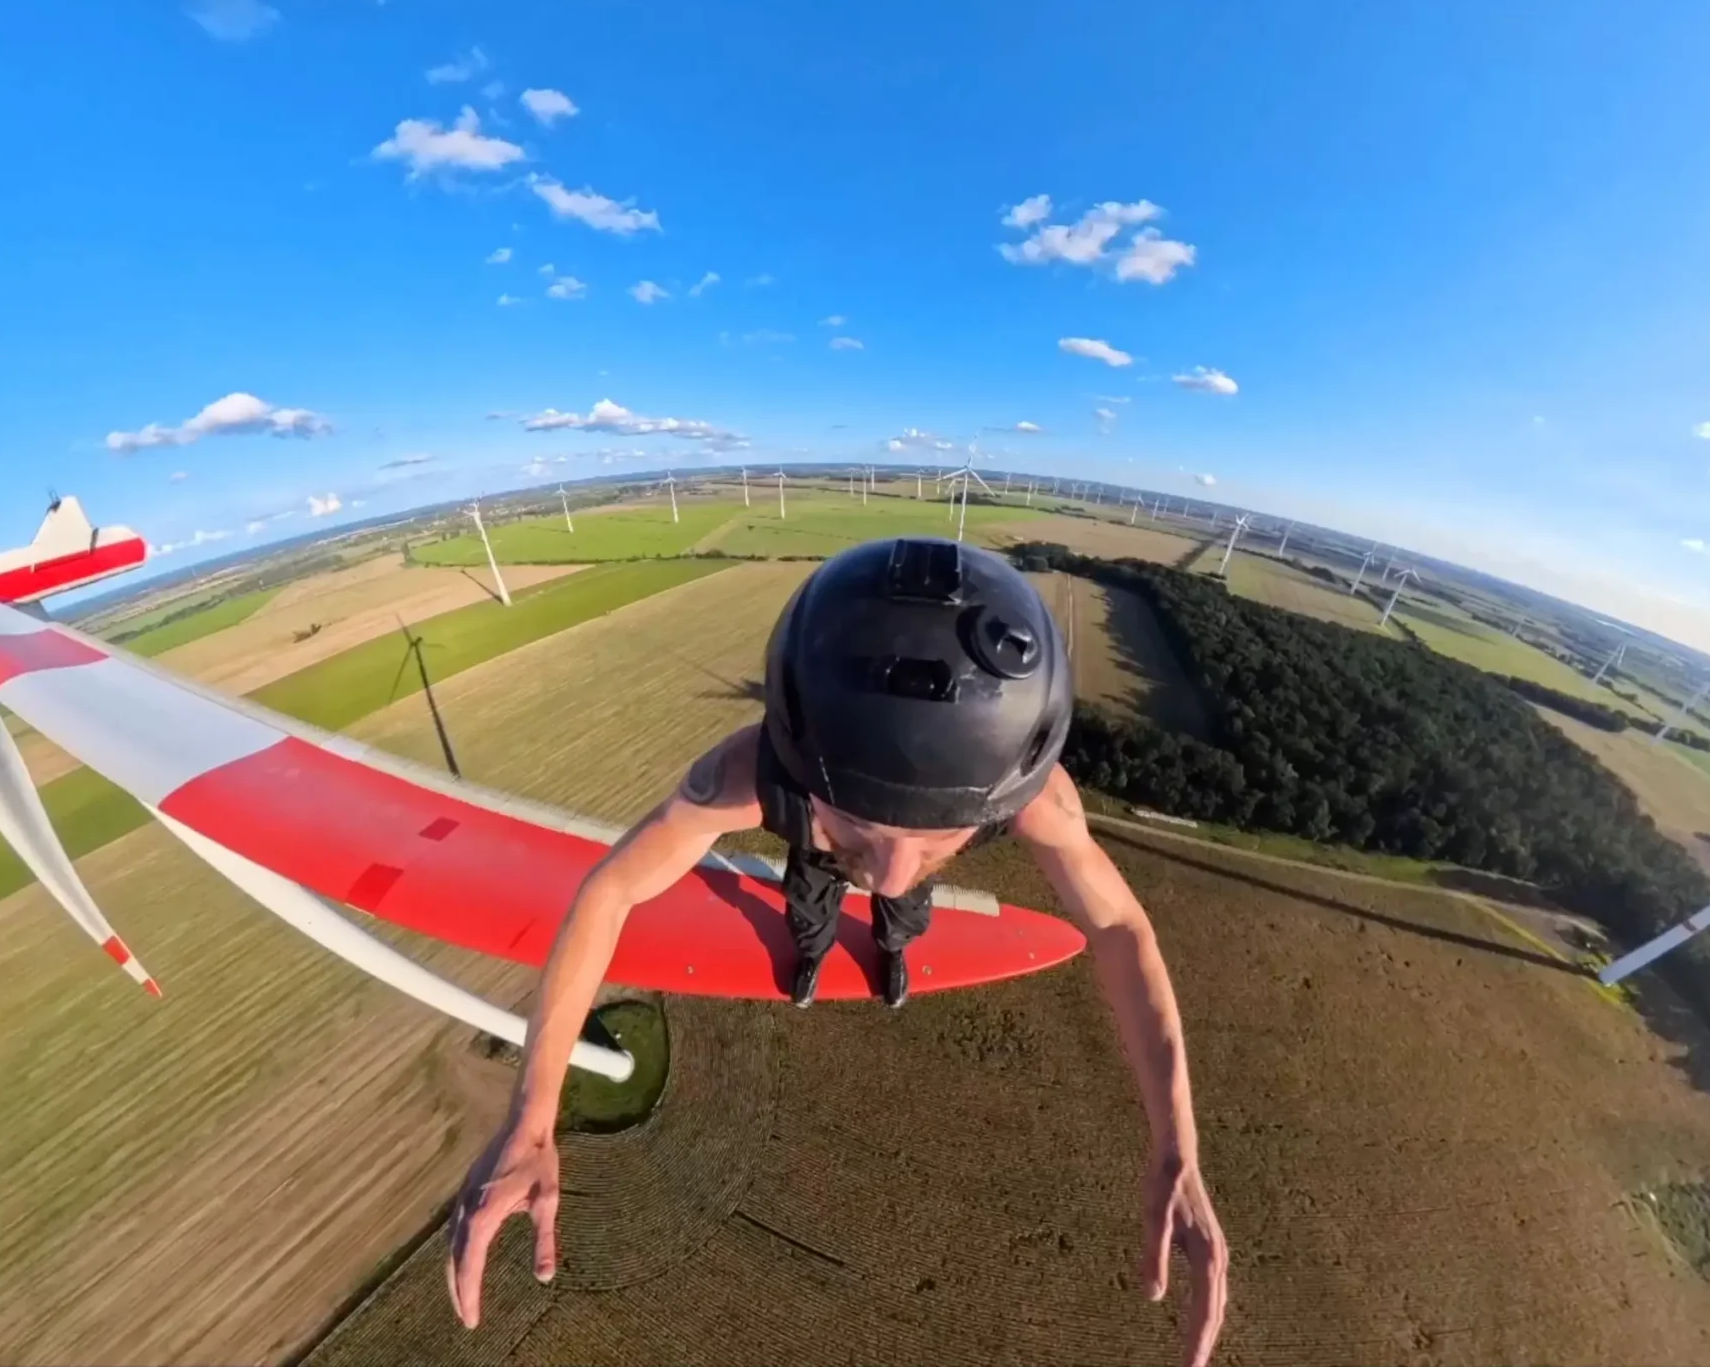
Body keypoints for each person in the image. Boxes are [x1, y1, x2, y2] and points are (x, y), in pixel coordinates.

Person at [447, 538, 1229, 1366]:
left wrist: (1178, 1145)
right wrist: (532, 1114)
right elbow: (608, 894)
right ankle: (817, 952)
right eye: (860, 820)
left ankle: (887, 951)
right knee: (814, 908)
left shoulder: (1030, 799)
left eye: (937, 838)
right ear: (798, 764)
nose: (891, 870)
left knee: (901, 916)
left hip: (824, 836)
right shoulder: (749, 775)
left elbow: (1122, 931)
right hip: (809, 857)